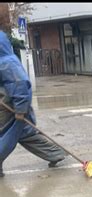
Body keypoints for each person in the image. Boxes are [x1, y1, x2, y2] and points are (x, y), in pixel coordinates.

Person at [0, 31, 65, 177]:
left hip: (12, 104)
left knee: (6, 135)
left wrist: (20, 110)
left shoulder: (6, 63)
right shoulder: (5, 60)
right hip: (11, 103)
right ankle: (55, 153)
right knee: (24, 133)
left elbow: (20, 84)